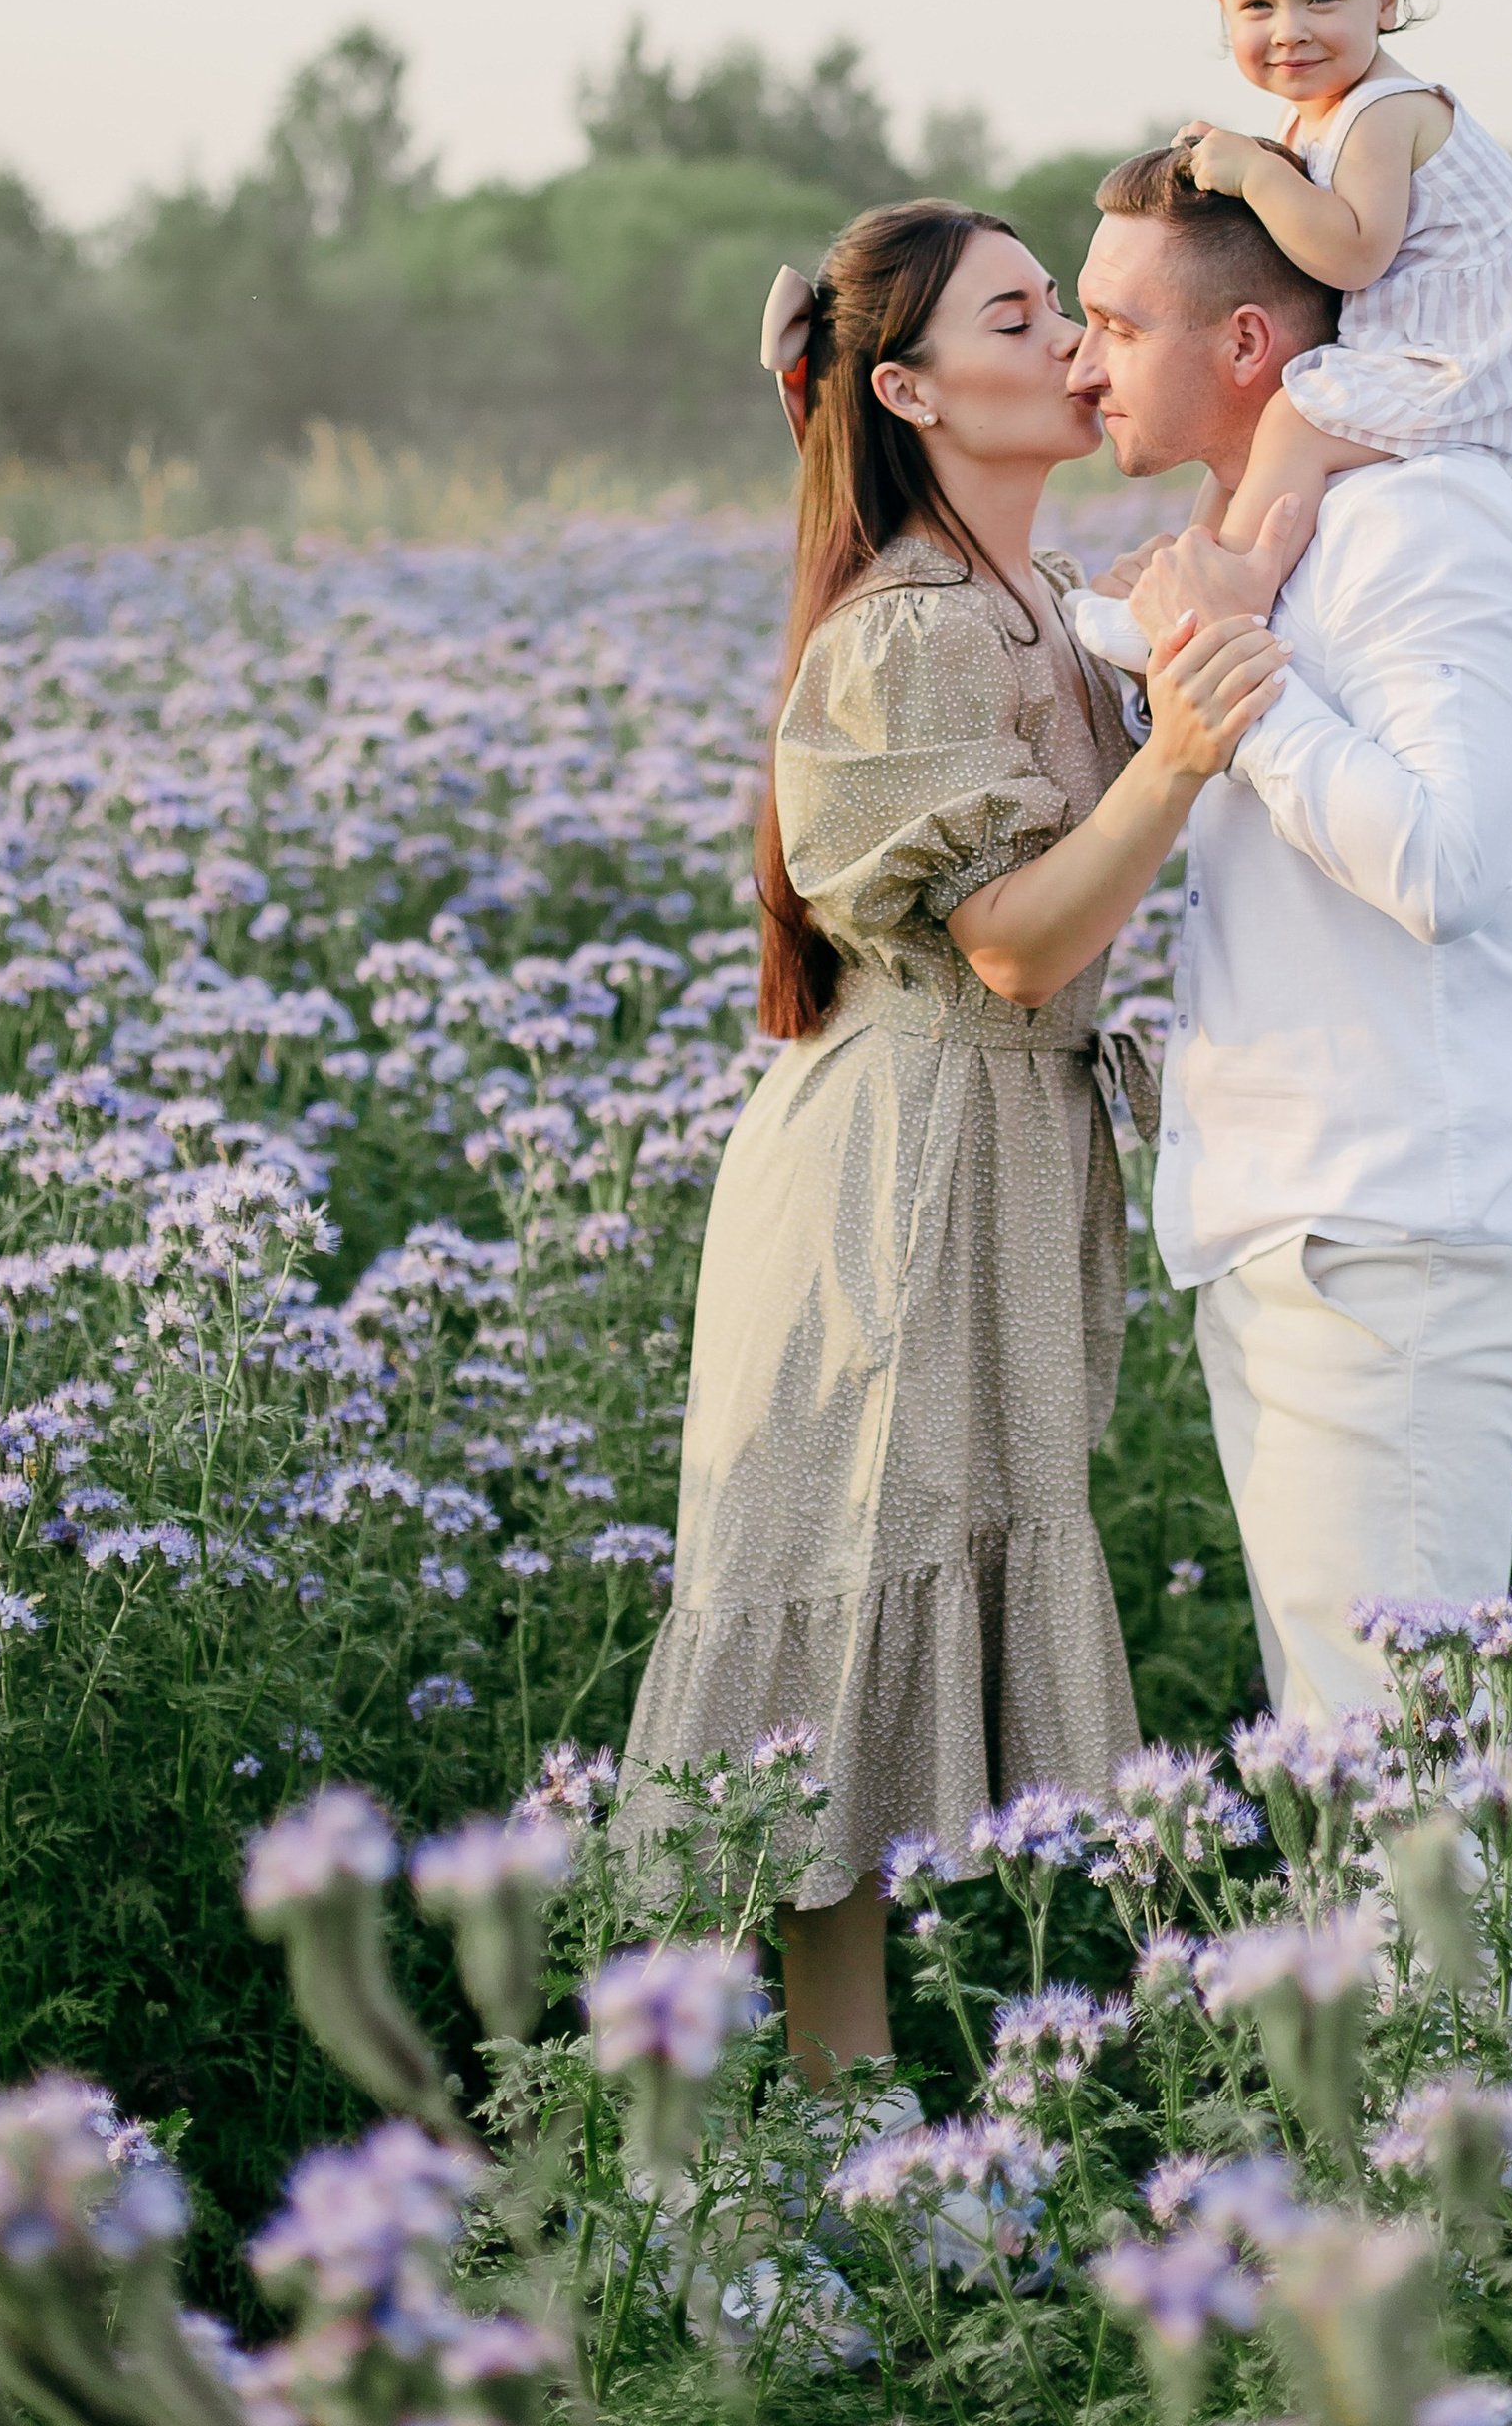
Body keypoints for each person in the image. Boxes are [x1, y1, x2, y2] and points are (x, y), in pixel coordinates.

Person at [621, 200, 1285, 2085]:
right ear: (910, 389)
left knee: (891, 1645)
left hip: (987, 1168)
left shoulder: (1027, 602)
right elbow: (1008, 946)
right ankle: (789, 2163)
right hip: (893, 1187)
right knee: (844, 1639)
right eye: (1025, 313)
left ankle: (845, 2153)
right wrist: (1176, 757)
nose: (1079, 337)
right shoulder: (909, 633)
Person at [1067, 151, 1512, 1725]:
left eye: (1113, 320)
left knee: (1403, 1806)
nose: (1083, 359)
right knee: (1351, 1777)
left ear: (1246, 350)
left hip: (1395, 1246)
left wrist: (1231, 674)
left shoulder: (1425, 526)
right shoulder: (1284, 550)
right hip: (1319, 1238)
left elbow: (1443, 863)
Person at [1132, 0, 1512, 600]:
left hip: (1475, 361)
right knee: (1261, 420)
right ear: (1223, 7)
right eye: (1258, 4)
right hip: (1416, 344)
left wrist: (1253, 175)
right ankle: (1191, 564)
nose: (1290, 29)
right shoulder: (1315, 112)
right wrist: (1242, 160)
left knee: (1292, 424)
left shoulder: (1382, 112)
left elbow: (1354, 254)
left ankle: (1234, 592)